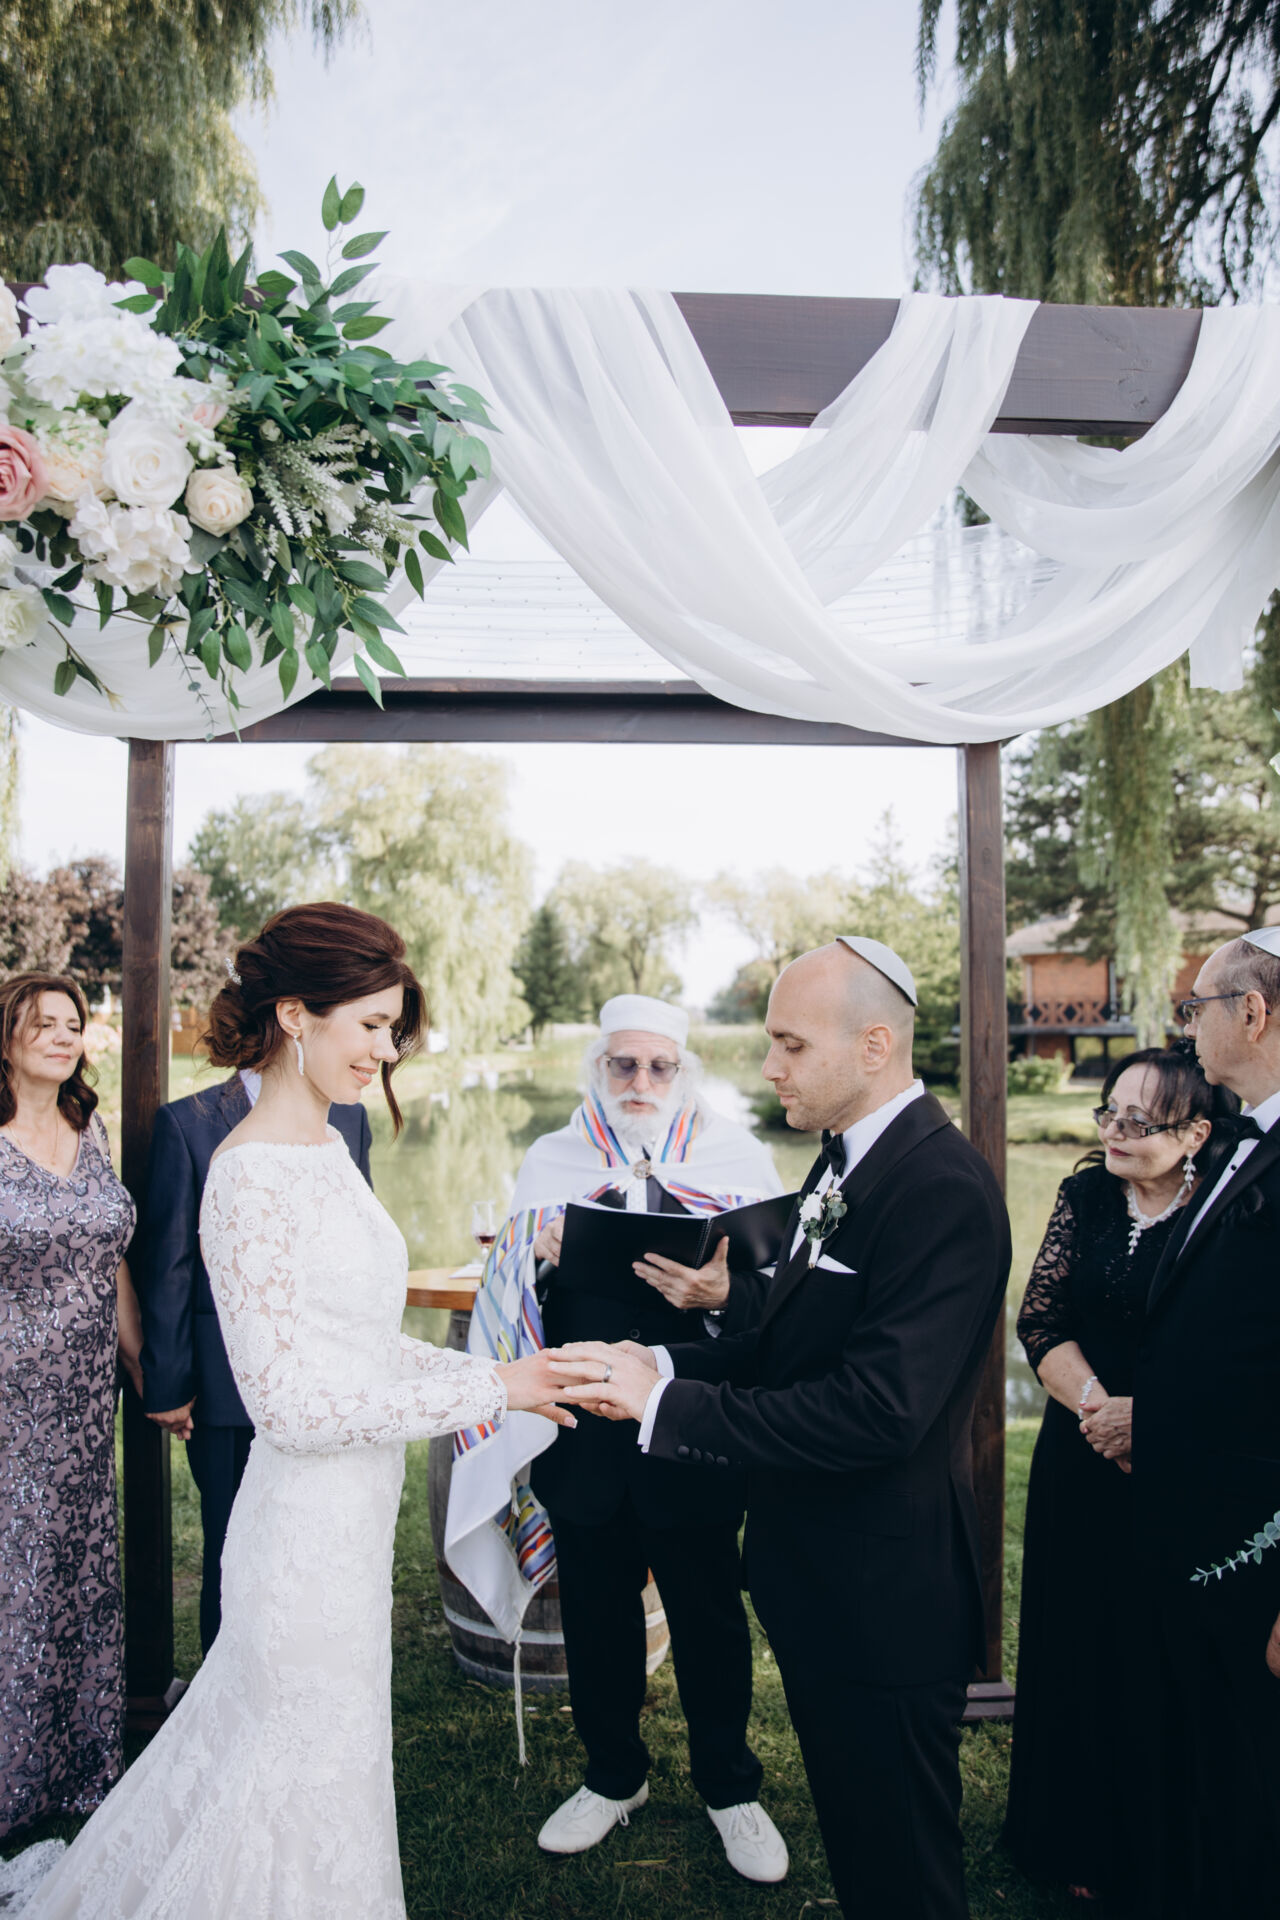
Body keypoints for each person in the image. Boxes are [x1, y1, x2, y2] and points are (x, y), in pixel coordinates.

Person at [0, 903, 573, 1920]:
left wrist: (510, 1366)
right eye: (371, 1026)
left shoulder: (326, 1148)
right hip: (300, 1537)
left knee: (321, 1765)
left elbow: (358, 1345)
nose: (386, 1051)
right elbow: (292, 1407)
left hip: (350, 1524)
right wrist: (492, 1390)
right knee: (291, 1770)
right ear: (297, 1015)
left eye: (392, 1029)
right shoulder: (248, 1175)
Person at [551, 937, 1012, 1920]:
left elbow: (876, 1410)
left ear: (874, 1045)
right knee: (860, 1853)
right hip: (818, 1583)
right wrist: (660, 1363)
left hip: (884, 1598)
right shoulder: (843, 1164)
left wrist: (664, 1407)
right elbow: (783, 1343)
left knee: (901, 1873)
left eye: (791, 1045)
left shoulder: (938, 1188)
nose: (768, 1067)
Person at [446, 994, 788, 1883]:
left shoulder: (734, 1157)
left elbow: (778, 1296)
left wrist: (723, 1290)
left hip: (692, 1429)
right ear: (597, 1068)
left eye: (659, 1066)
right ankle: (612, 1776)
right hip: (583, 1429)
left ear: (683, 1072)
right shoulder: (550, 1158)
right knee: (596, 1614)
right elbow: (504, 1289)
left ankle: (730, 1787)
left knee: (710, 1617)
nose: (641, 1081)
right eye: (623, 1064)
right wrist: (538, 1248)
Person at [1005, 1044, 1235, 1907]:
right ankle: (1068, 1837)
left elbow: (1237, 1353)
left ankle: (1152, 1841)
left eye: (1140, 1121)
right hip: (1080, 1448)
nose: (1116, 1131)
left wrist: (1154, 1425)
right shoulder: (1086, 1197)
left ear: (1195, 1134)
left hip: (1178, 1460)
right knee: (1075, 1634)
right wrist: (1100, 1412)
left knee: (1152, 1645)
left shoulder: (1225, 1209)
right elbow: (1041, 1320)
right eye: (1110, 1112)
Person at [1132, 929, 1280, 1920]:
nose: (1186, 1026)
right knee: (1218, 1765)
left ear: (1252, 1012)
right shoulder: (1239, 1139)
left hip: (1255, 1545)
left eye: (1197, 1006)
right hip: (1196, 1523)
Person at [136, 1047, 372, 1651]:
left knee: (316, 1549)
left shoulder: (349, 1116)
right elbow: (169, 1265)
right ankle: (230, 1678)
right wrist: (168, 1384)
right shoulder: (186, 1121)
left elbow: (358, 1242)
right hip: (226, 1387)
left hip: (327, 1379)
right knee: (234, 1546)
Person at [0, 972, 142, 1846]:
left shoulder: (91, 1133)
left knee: (79, 1575)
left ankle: (82, 1767)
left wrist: (141, 1362)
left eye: (72, 1023)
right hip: (10, 1403)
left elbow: (110, 1256)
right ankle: (13, 1782)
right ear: (6, 1038)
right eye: (41, 1022)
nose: (61, 1035)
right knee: (17, 1581)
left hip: (87, 1404)